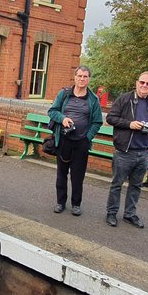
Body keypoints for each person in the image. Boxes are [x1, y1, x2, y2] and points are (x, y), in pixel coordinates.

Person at [105, 71, 148, 228]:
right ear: (136, 82)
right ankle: (111, 213)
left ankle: (129, 214)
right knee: (117, 184)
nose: (144, 86)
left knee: (136, 186)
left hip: (144, 152)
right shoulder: (125, 99)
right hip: (124, 151)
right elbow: (110, 118)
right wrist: (129, 124)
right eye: (142, 82)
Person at [46, 65, 103, 216]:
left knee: (78, 176)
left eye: (85, 76)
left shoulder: (93, 99)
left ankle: (76, 204)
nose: (82, 79)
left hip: (81, 143)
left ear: (89, 79)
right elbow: (52, 111)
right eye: (79, 76)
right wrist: (63, 118)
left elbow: (97, 122)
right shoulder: (64, 94)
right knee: (61, 173)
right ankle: (60, 202)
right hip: (64, 139)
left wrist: (87, 137)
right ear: (75, 77)